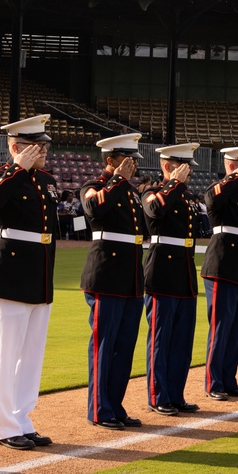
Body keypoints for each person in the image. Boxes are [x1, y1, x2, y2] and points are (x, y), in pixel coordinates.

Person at [0, 114, 59, 449]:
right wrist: (16, 169)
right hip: (10, 275)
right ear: (15, 147)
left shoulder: (44, 180)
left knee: (31, 356)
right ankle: (4, 426)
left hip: (39, 275)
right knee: (8, 353)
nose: (42, 151)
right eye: (35, 146)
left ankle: (22, 419)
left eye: (44, 145)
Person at [80, 133, 146, 430]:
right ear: (111, 160)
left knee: (123, 347)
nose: (132, 165)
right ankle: (99, 409)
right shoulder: (93, 186)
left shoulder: (130, 193)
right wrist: (117, 180)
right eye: (127, 159)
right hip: (106, 276)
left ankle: (115, 405)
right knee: (104, 345)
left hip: (129, 278)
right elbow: (94, 209)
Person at [142, 143, 201, 416]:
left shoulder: (186, 195)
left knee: (181, 341)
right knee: (160, 338)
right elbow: (155, 212)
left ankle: (175, 394)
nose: (188, 173)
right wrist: (174, 185)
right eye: (184, 167)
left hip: (184, 271)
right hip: (162, 271)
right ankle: (158, 396)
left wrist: (179, 187)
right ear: (168, 166)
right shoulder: (153, 192)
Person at [202, 145, 238, 400]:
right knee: (221, 328)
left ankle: (229, 379)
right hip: (223, 266)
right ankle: (214, 382)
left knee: (237, 330)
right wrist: (234, 178)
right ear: (232, 165)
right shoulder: (222, 188)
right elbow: (212, 199)